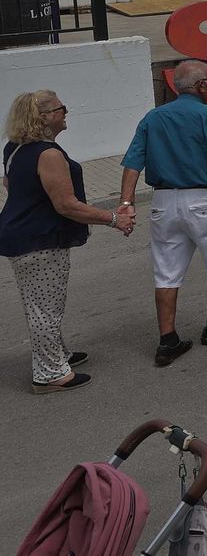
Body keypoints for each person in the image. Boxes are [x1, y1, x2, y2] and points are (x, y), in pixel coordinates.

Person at [118, 59, 207, 367]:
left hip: (164, 201)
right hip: (205, 200)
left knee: (166, 272)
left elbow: (132, 163)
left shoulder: (152, 118)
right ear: (202, 85)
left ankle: (168, 340)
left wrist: (125, 204)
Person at [2, 91, 132, 393]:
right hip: (40, 240)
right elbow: (67, 205)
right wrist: (114, 219)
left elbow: (11, 185)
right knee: (44, 309)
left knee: (41, 304)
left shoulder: (14, 148)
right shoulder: (48, 154)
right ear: (45, 117)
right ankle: (49, 375)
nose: (66, 112)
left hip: (23, 235)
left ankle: (57, 357)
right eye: (61, 108)